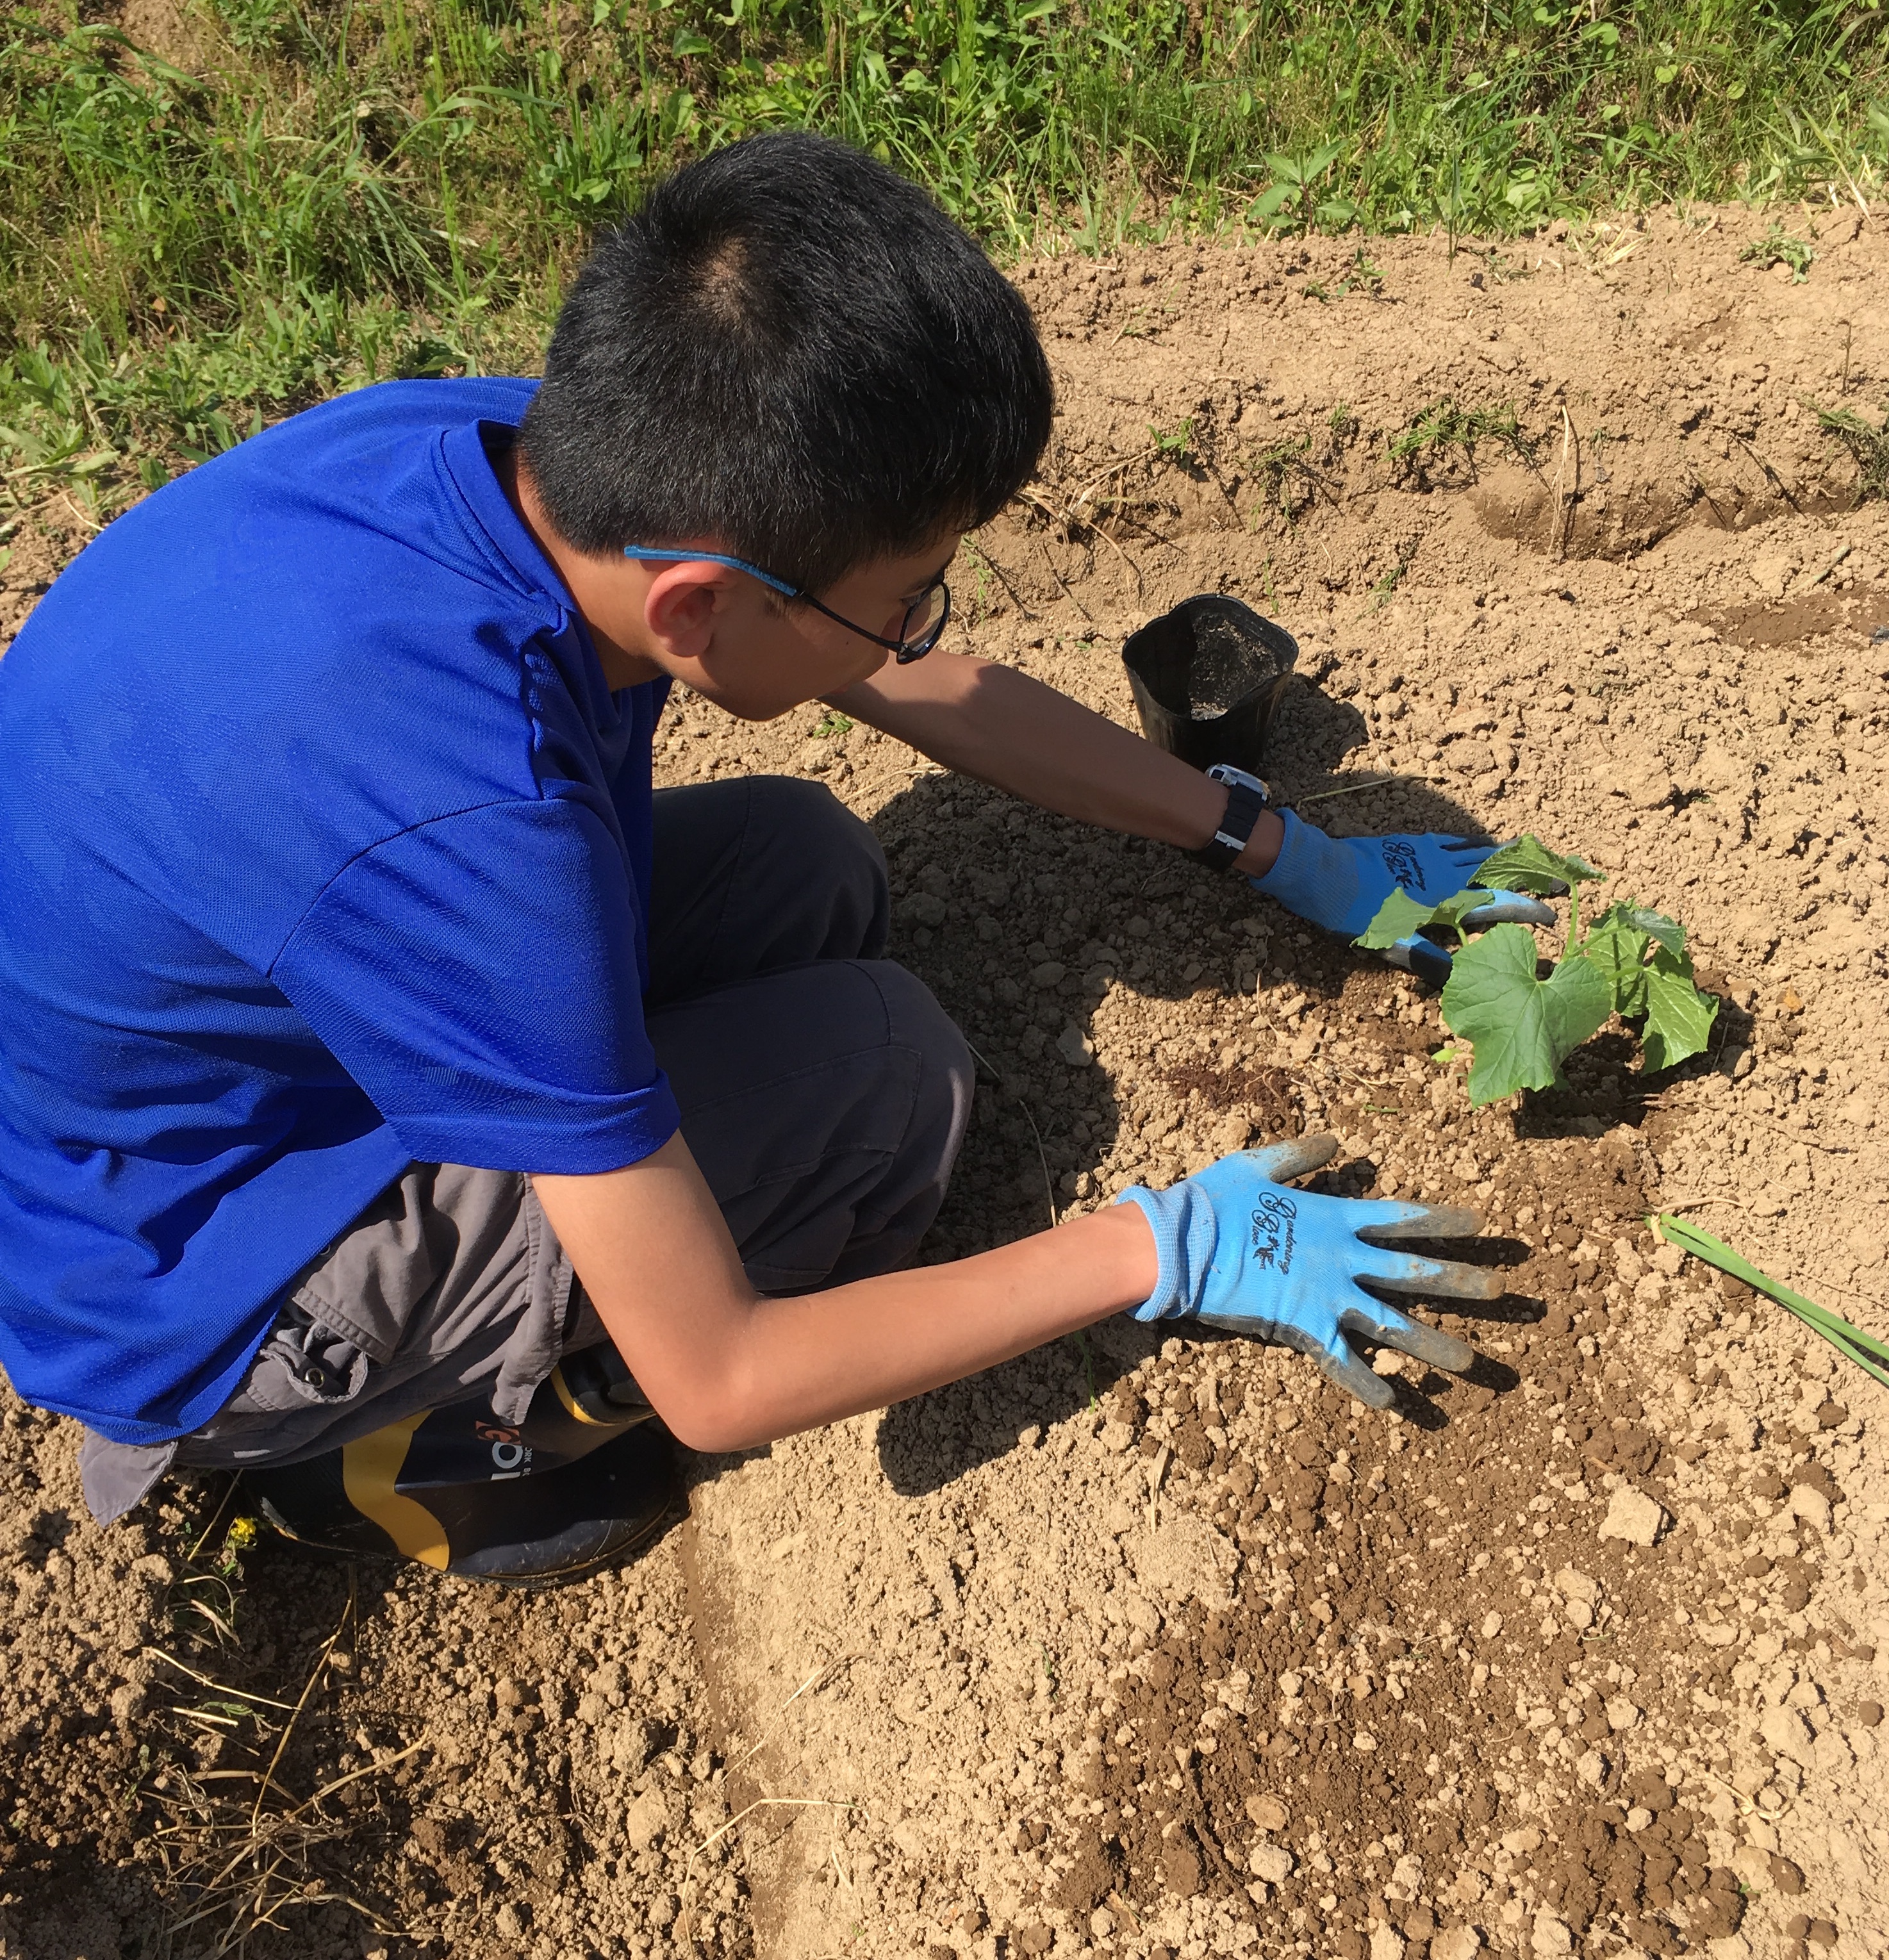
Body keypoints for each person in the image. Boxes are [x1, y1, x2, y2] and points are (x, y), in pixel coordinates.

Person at [0, 133, 1543, 1585]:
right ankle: (428, 1449)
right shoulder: (474, 830)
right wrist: (1164, 1242)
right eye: (905, 596)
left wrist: (1274, 849)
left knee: (809, 863)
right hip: (192, 1266)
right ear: (696, 609)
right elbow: (726, 1373)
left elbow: (922, 687)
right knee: (885, 1086)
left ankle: (520, 1231)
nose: (918, 633)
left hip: (228, 1053)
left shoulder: (526, 454)